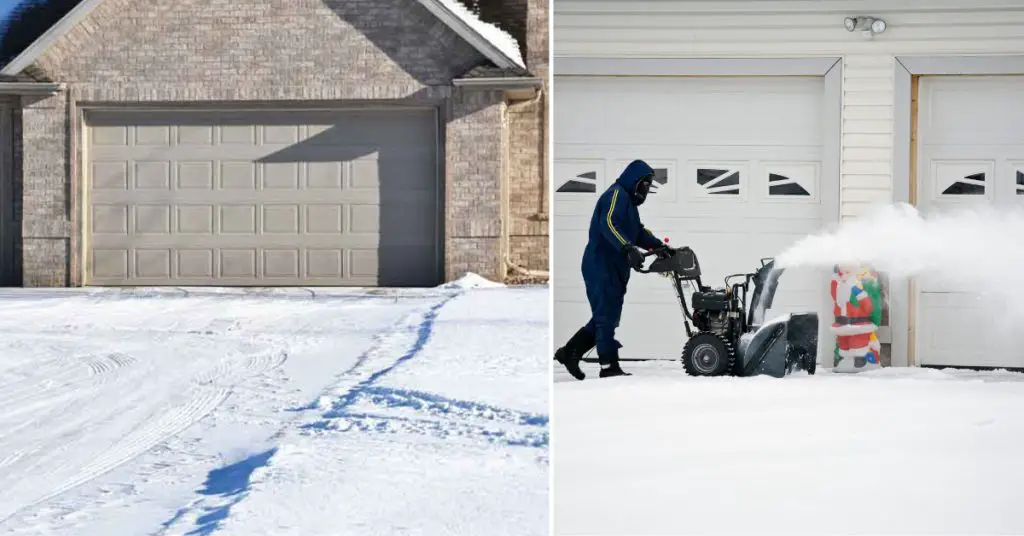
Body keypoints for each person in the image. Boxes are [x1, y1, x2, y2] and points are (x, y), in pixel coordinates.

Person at [554, 159, 669, 380]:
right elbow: (608, 223)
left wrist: (658, 247)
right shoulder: (616, 195)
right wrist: (626, 247)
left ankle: (570, 352)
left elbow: (637, 232)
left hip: (616, 267)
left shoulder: (629, 205)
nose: (646, 190)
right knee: (606, 318)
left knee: (606, 317)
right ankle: (609, 366)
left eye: (649, 186)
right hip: (601, 265)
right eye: (645, 184)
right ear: (634, 181)